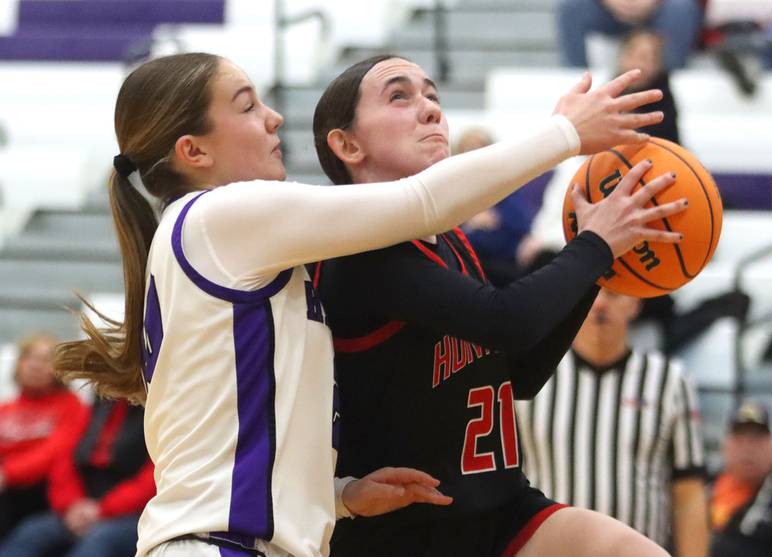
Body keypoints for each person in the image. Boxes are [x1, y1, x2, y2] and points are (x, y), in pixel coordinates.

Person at [52, 52, 665, 557]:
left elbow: (252, 433)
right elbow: (423, 202)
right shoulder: (218, 216)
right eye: (246, 106)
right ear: (194, 152)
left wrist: (340, 492)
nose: (271, 119)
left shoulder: (247, 252)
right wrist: (564, 138)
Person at [313, 54, 687, 557]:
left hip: (499, 508)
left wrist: (600, 262)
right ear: (346, 144)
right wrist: (594, 246)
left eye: (432, 95)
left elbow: (520, 373)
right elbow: (508, 321)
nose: (428, 108)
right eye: (399, 96)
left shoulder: (450, 241)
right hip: (404, 535)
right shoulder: (357, 252)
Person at [515, 288, 709, 556]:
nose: (600, 304)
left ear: (636, 303)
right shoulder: (530, 378)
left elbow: (688, 495)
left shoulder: (670, 380)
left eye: (614, 294)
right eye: (591, 293)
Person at [0, 398, 153, 557]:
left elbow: (153, 479)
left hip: (131, 515)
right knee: (32, 532)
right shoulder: (94, 408)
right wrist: (72, 504)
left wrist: (102, 509)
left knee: (98, 542)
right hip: (77, 509)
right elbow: (64, 460)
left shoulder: (157, 414)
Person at [0, 334, 87, 540]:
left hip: (41, 493)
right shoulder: (6, 408)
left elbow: (55, 452)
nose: (36, 365)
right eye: (30, 357)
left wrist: (8, 473)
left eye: (46, 359)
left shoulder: (71, 405)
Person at [709, 399, 772, 557]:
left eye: (757, 438)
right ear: (724, 445)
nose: (748, 448)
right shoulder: (702, 487)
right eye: (739, 437)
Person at [455, 128, 542, 286]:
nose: (475, 153)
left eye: (481, 147)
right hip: (472, 262)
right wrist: (469, 220)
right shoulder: (453, 189)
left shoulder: (505, 185)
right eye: (469, 148)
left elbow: (522, 223)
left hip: (508, 258)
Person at [557, 0, 703, 70]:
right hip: (608, 10)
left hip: (657, 9)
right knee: (571, 7)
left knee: (682, 8)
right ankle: (576, 77)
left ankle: (672, 74)